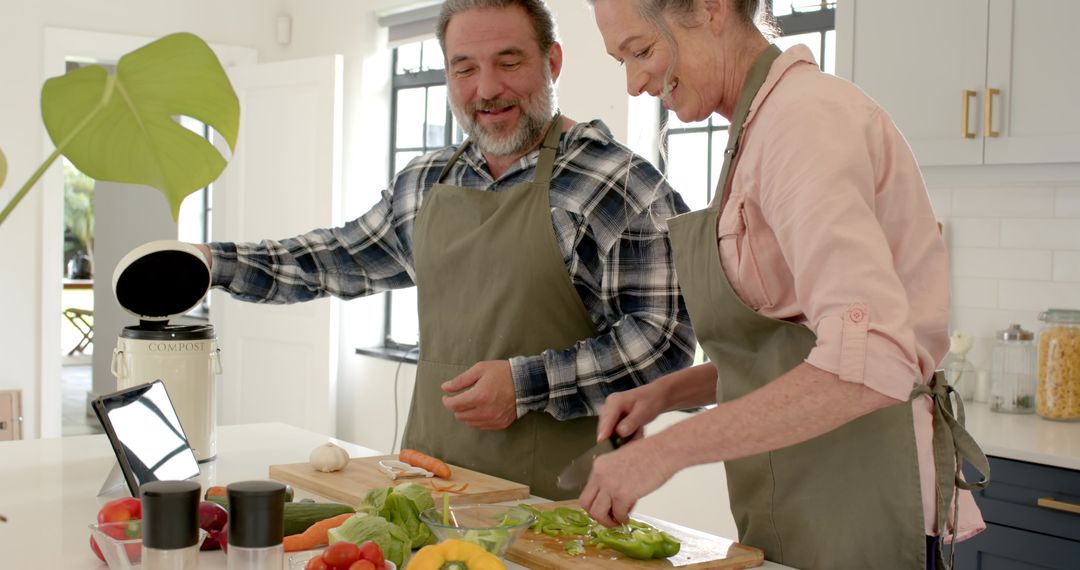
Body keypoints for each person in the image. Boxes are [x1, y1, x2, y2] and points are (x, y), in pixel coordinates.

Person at [194, 0, 694, 501]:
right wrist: (213, 263)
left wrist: (527, 384)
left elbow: (663, 340)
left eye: (509, 61)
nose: (487, 88)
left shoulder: (616, 184)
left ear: (553, 62)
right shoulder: (427, 181)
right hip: (427, 487)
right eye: (465, 68)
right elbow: (337, 257)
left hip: (559, 507)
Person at [582, 1, 990, 568]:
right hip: (804, 499)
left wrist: (666, 454)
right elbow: (786, 348)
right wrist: (666, 394)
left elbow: (871, 360)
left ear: (709, 9)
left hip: (858, 499)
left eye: (641, 51)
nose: (634, 83)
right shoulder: (758, 129)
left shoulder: (804, 120)